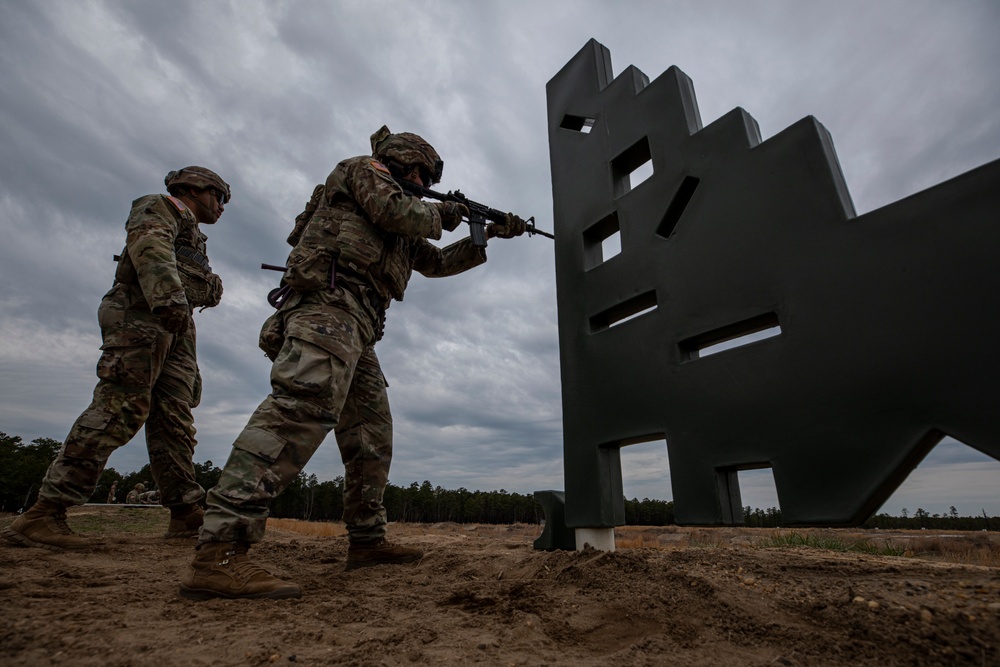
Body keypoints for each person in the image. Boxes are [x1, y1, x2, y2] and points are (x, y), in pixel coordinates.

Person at [179, 126, 526, 600]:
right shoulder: (363, 172)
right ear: (401, 162)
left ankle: (367, 540)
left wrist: (485, 237)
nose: (424, 182)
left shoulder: (402, 219)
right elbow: (397, 210)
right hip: (326, 306)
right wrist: (449, 211)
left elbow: (436, 263)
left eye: (429, 176)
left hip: (359, 325)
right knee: (300, 409)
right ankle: (218, 553)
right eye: (418, 172)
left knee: (371, 433)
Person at [2, 167, 230, 551]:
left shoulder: (194, 232)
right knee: (120, 406)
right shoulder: (162, 206)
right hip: (143, 314)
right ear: (193, 188)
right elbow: (150, 246)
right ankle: (45, 512)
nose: (223, 206)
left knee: (174, 417)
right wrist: (168, 296)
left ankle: (185, 510)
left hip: (175, 324)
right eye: (220, 196)